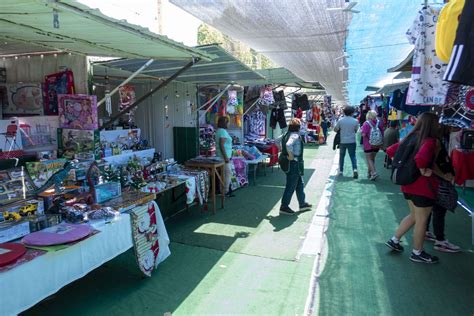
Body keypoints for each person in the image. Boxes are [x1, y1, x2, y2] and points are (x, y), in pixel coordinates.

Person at [385, 112, 453, 264]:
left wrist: (405, 167)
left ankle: (394, 239)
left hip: (407, 185)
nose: (439, 125)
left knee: (415, 216)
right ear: (433, 125)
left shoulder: (410, 137)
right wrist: (424, 170)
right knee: (421, 220)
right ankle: (417, 252)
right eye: (437, 123)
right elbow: (421, 159)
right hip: (423, 187)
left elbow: (390, 151)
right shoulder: (430, 141)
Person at [279, 118, 312, 215]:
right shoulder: (294, 135)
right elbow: (289, 145)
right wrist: (290, 155)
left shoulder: (286, 133)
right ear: (298, 127)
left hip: (290, 163)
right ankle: (284, 206)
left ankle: (302, 204)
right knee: (291, 185)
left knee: (299, 184)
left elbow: (276, 141)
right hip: (294, 163)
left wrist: (282, 150)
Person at [334, 106, 359, 179]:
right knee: (353, 156)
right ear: (352, 112)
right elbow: (356, 130)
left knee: (342, 156)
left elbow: (335, 129)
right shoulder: (355, 121)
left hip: (342, 141)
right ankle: (355, 169)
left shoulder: (341, 120)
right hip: (352, 141)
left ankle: (341, 171)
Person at [361, 110, 384, 180]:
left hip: (368, 144)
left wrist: (362, 131)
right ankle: (369, 173)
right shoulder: (379, 123)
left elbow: (363, 134)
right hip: (377, 144)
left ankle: (374, 173)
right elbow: (382, 133)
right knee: (372, 158)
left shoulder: (366, 123)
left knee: (369, 159)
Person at [216, 116, 234, 197]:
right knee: (227, 174)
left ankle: (222, 190)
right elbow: (221, 145)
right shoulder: (222, 131)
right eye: (228, 122)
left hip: (222, 156)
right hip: (223, 157)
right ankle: (225, 191)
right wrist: (226, 157)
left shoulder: (220, 131)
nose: (229, 124)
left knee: (224, 174)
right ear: (224, 123)